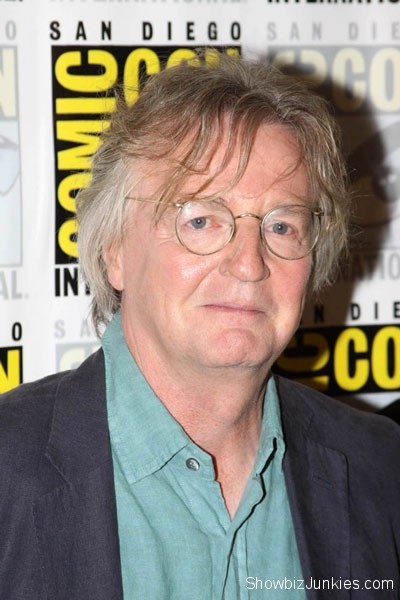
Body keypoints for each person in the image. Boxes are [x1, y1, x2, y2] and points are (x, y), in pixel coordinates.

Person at [1, 52, 399, 600]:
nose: (249, 264)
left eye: (282, 226)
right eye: (202, 220)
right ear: (114, 249)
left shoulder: (382, 466)